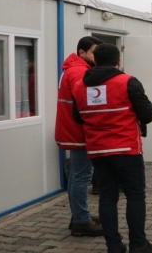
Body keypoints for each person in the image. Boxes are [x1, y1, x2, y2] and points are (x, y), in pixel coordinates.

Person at [71, 43, 152, 253]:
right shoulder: (128, 82)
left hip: (97, 150)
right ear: (117, 61)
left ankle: (114, 246)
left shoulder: (79, 86)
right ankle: (139, 245)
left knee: (107, 197)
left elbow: (77, 117)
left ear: (95, 61)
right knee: (135, 196)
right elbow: (149, 114)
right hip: (127, 148)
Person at [54, 36, 104, 237]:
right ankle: (82, 221)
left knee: (78, 175)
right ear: (82, 52)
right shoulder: (79, 72)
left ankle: (80, 216)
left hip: (75, 131)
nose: (97, 57)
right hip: (79, 132)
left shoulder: (76, 69)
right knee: (82, 176)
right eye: (94, 52)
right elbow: (86, 101)